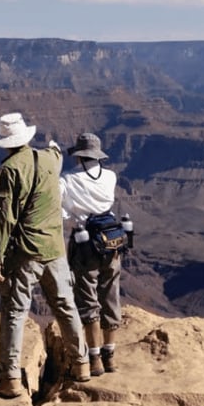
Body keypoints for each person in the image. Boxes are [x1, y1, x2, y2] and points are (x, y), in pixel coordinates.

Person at [0, 112, 90, 398]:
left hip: (25, 254)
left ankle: (10, 379)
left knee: (15, 312)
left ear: (5, 142)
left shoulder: (8, 170)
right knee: (66, 306)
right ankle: (82, 364)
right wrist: (54, 144)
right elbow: (56, 151)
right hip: (55, 249)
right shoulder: (50, 160)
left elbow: (2, 219)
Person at [60, 132, 123, 375]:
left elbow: (63, 212)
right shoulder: (111, 176)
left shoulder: (67, 179)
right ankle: (111, 356)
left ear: (78, 155)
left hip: (85, 244)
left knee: (88, 299)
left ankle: (95, 359)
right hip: (112, 241)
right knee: (110, 295)